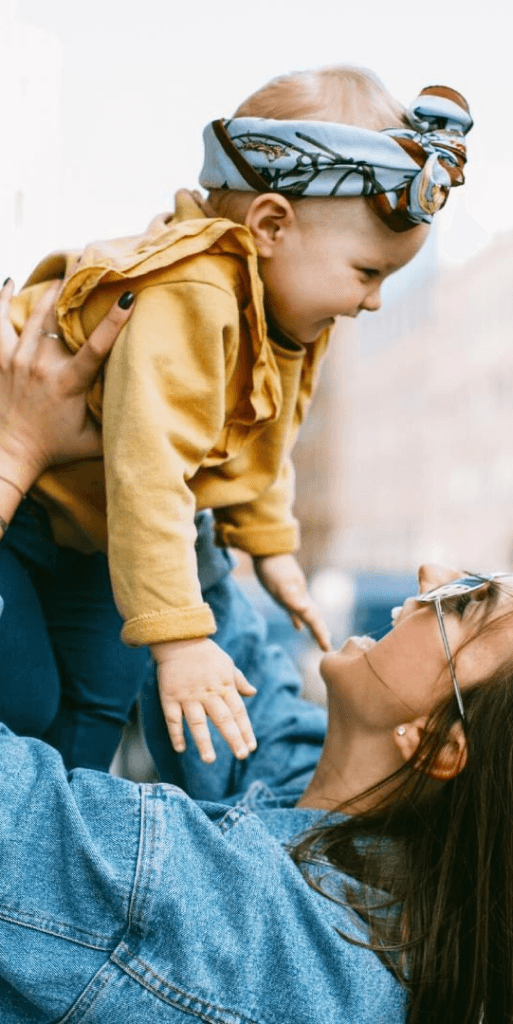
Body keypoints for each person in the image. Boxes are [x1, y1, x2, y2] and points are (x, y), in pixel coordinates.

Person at [0, 283, 513, 1024]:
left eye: (466, 602)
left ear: (440, 745)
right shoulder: (335, 815)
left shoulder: (235, 922)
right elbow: (219, 624)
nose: (430, 575)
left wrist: (16, 447)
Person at [6, 65, 473, 768]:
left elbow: (263, 432)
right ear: (271, 226)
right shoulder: (189, 293)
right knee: (33, 700)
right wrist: (183, 640)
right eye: (367, 273)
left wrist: (270, 544)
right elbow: (150, 471)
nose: (373, 301)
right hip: (36, 510)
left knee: (105, 691)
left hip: (93, 533)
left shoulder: (279, 314)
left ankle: (51, 846)